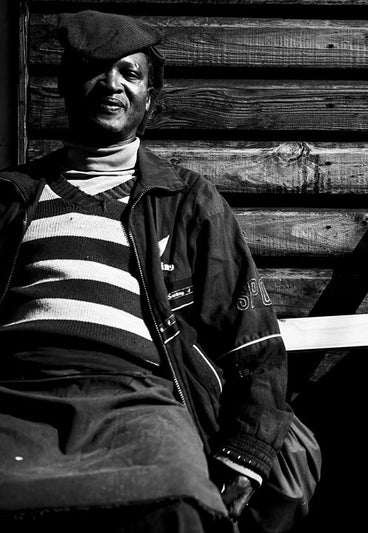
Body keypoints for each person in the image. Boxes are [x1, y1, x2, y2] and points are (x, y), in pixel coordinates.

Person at [0, 10, 311, 532]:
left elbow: (252, 338)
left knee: (182, 506)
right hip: (17, 394)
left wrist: (246, 453)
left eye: (130, 73)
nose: (112, 84)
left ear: (150, 97)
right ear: (65, 85)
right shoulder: (11, 198)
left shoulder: (187, 201)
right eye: (96, 69)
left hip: (139, 398)